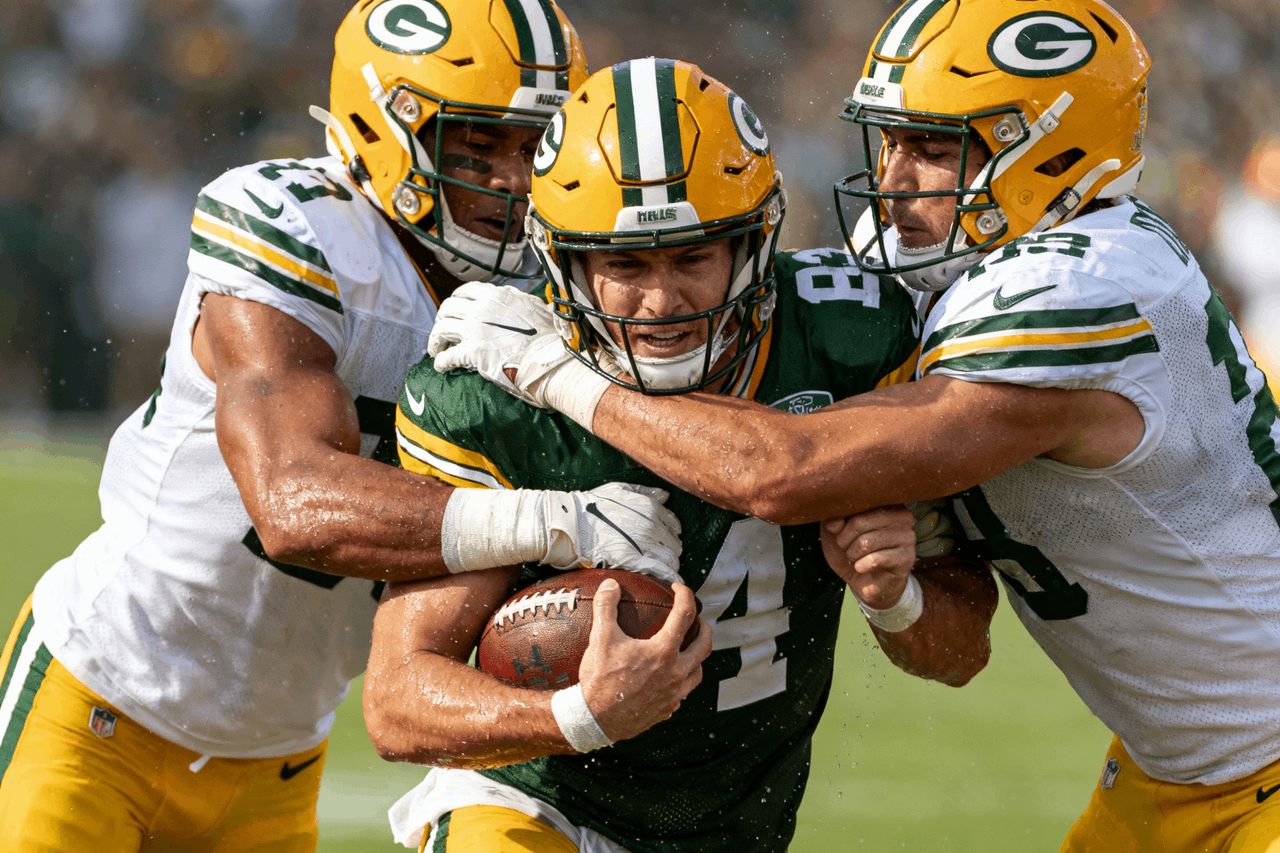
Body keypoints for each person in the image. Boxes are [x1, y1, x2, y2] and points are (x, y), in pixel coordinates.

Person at [427, 1, 1280, 850]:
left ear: (1054, 149)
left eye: (936, 147)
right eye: (893, 140)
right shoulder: (988, 256)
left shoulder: (1084, 282)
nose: (897, 175)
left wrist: (554, 370)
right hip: (1175, 772)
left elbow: (784, 470)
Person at [0, 3, 687, 850]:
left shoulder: (557, 292)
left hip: (281, 762)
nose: (514, 178)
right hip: (100, 705)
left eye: (535, 146)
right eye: (481, 143)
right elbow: (291, 502)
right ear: (386, 123)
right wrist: (552, 520)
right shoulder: (301, 227)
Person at [366, 57, 997, 853]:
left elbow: (961, 649)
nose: (660, 301)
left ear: (754, 244)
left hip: (735, 827)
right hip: (536, 799)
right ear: (564, 263)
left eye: (693, 257)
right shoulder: (492, 388)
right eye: (624, 265)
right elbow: (396, 697)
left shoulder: (848, 343)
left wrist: (894, 595)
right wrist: (579, 714)